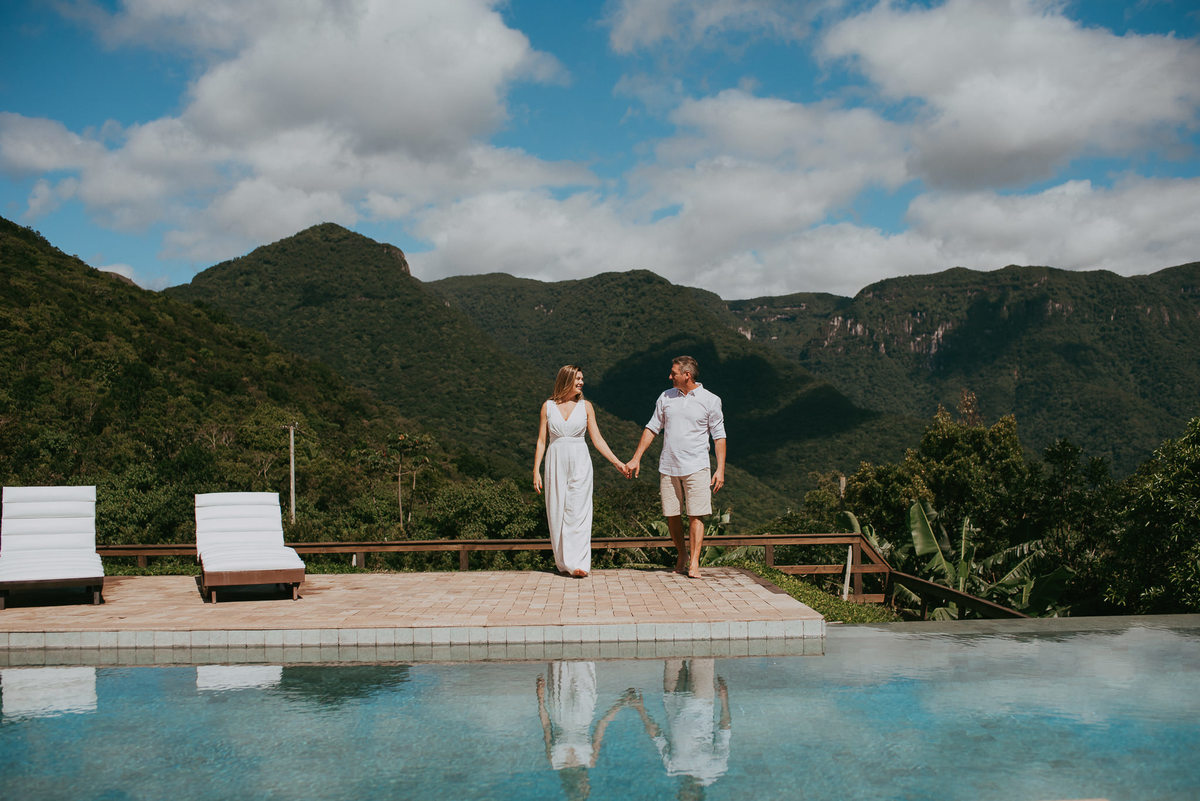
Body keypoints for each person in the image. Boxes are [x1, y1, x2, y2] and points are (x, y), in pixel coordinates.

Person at [625, 356, 726, 579]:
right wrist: (636, 458)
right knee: (672, 514)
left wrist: (720, 469)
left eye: (673, 373)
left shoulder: (711, 400)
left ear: (686, 375)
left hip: (697, 466)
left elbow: (719, 436)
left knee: (696, 514)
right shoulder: (665, 397)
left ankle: (695, 563)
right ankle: (682, 555)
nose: (669, 376)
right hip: (669, 466)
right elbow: (652, 428)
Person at [534, 365, 629, 578]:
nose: (581, 382)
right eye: (577, 378)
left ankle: (579, 563)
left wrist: (617, 462)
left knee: (579, 511)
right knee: (558, 510)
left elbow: (597, 439)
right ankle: (564, 562)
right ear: (566, 379)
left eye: (582, 379)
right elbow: (541, 441)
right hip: (555, 462)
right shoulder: (547, 407)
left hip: (580, 462)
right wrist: (536, 470)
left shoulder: (586, 407)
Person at [630, 659, 732, 797]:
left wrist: (640, 709)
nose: (683, 794)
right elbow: (724, 730)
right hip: (700, 700)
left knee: (672, 656)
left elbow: (657, 736)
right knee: (700, 656)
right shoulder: (714, 770)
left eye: (681, 796)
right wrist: (724, 699)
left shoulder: (672, 768)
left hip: (672, 698)